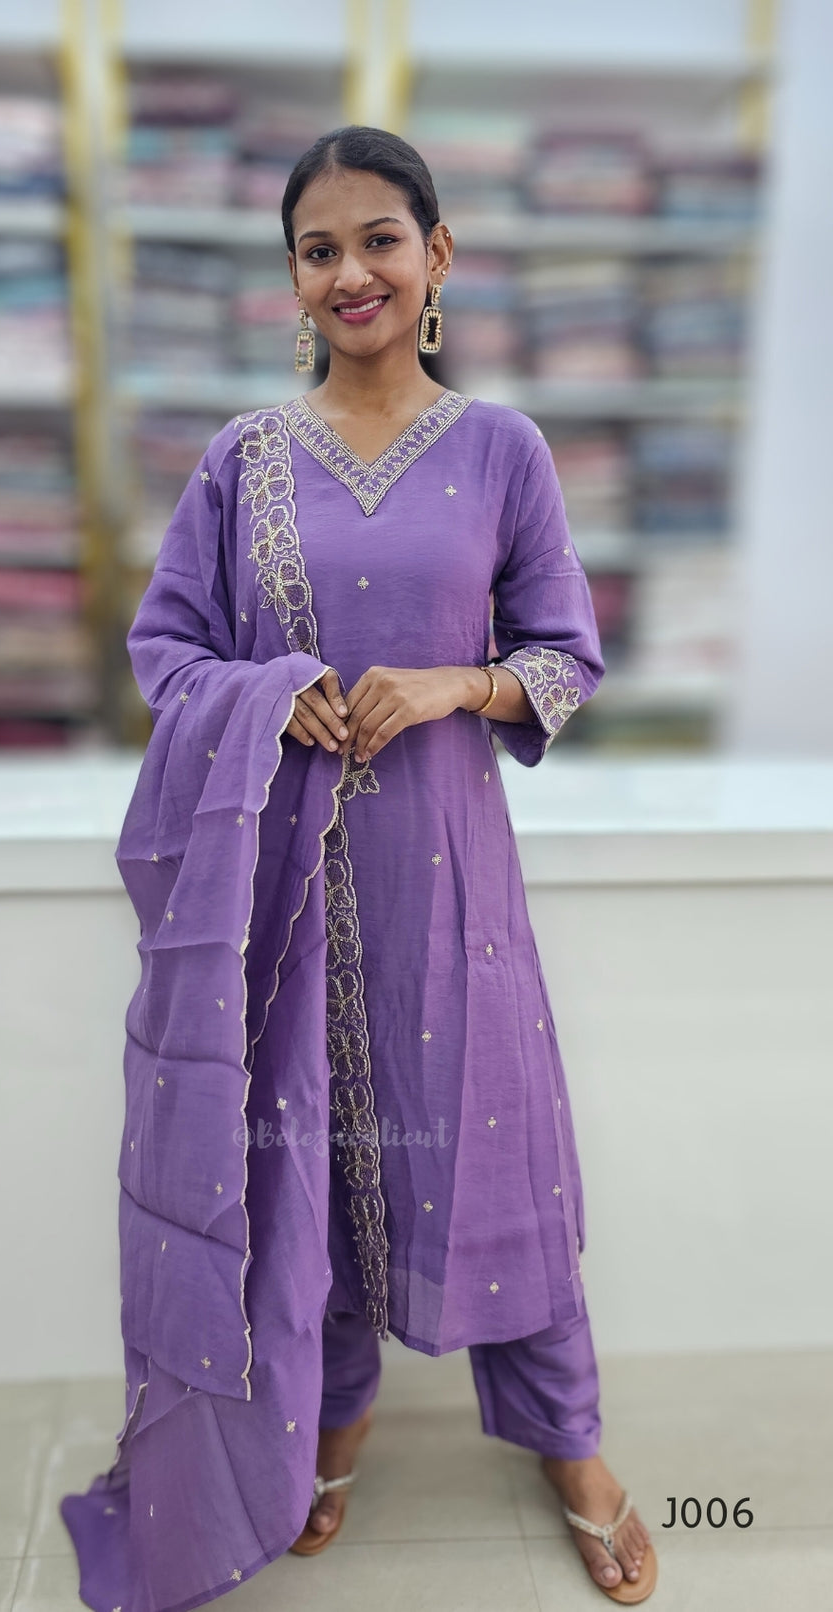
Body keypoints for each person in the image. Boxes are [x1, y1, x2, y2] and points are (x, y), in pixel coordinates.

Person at [60, 124, 658, 1611]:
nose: (351, 272)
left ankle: (566, 1437)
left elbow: (567, 659)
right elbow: (167, 649)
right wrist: (275, 694)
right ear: (294, 279)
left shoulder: (503, 450)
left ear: (437, 257)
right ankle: (333, 1416)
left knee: (494, 1147)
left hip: (453, 886)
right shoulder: (244, 462)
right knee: (307, 1148)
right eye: (319, 249)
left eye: (379, 239)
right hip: (289, 894)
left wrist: (456, 684)